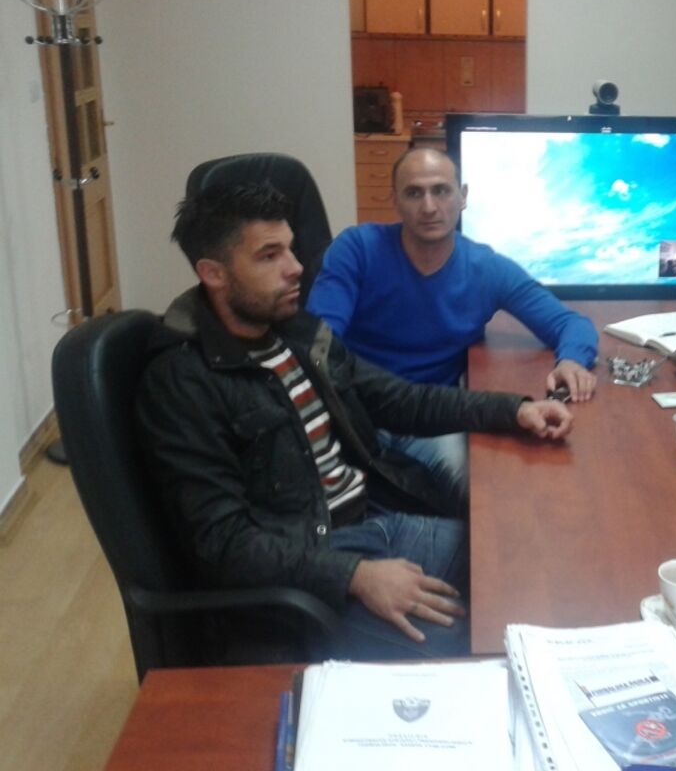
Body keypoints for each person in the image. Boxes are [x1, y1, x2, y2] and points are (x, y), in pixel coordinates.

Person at [136, 183, 574, 661]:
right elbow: (225, 544)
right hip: (310, 580)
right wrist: (355, 575)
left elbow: (399, 399)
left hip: (373, 523)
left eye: (290, 249)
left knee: (527, 559)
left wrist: (513, 409)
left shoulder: (295, 333)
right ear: (213, 273)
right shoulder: (182, 381)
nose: (296, 267)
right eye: (269, 256)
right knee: (489, 643)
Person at [307, 148, 599, 509]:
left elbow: (569, 323)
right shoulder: (357, 249)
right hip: (354, 414)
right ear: (394, 200)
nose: (429, 207)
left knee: (486, 501)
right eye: (414, 193)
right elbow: (317, 341)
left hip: (430, 418)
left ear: (463, 196)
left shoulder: (486, 268)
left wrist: (572, 359)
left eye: (441, 191)